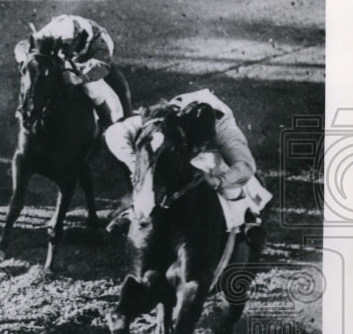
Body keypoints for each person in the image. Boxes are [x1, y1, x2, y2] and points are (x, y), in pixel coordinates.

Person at [104, 88, 270, 244]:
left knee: (224, 180)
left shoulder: (224, 129)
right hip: (178, 140)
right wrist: (136, 165)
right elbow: (113, 133)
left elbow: (246, 165)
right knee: (153, 175)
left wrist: (218, 181)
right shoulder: (165, 117)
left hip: (213, 155)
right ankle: (133, 212)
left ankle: (248, 219)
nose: (195, 149)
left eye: (198, 145)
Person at [15, 13, 124, 129]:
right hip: (61, 54)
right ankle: (26, 107)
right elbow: (23, 46)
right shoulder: (49, 32)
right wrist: (25, 59)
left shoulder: (99, 41)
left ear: (79, 37)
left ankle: (106, 122)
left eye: (67, 45)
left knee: (92, 87)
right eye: (61, 44)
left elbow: (103, 65)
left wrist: (79, 78)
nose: (62, 50)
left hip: (86, 60)